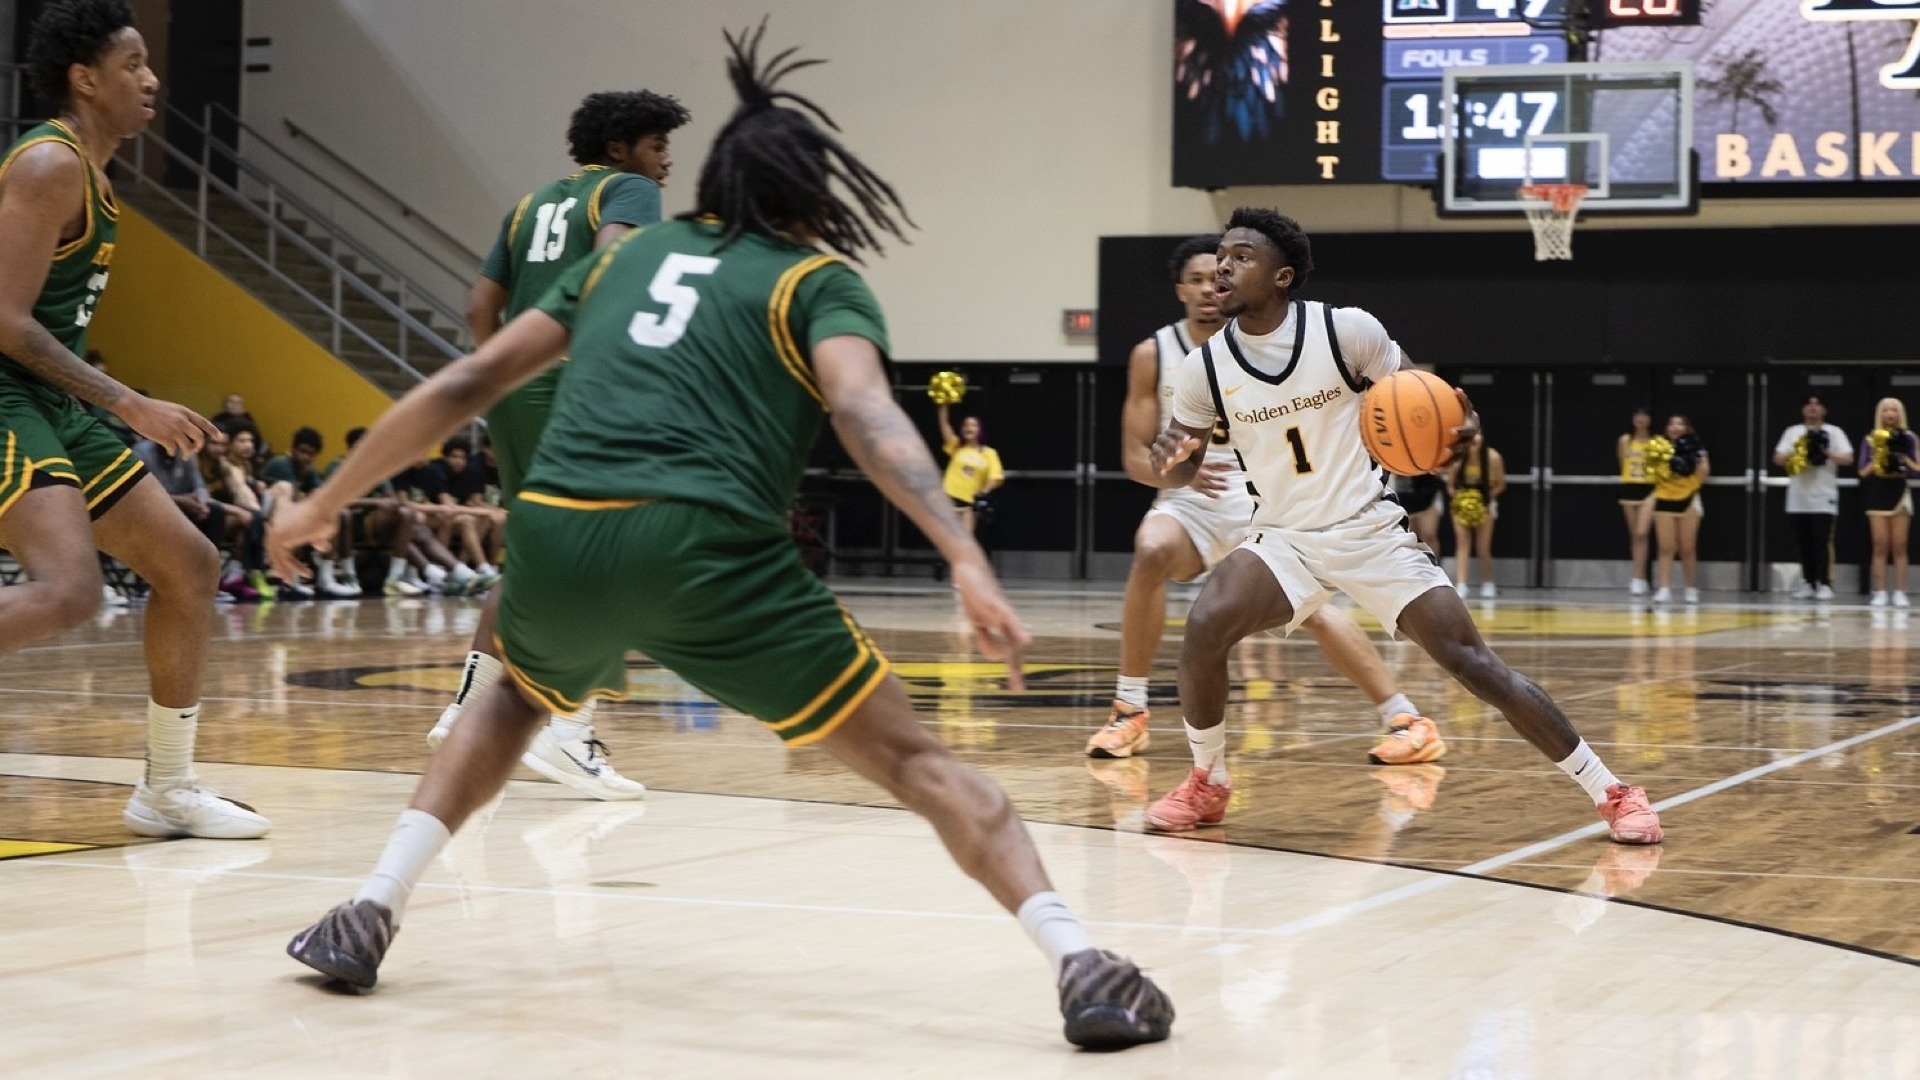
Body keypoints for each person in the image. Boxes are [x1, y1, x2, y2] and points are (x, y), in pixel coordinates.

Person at [272, 24, 1172, 1049]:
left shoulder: (626, 257)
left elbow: (471, 377)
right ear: (813, 193)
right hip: (707, 548)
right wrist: (961, 551)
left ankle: (371, 907)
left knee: (516, 693)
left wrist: (324, 499)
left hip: (559, 530)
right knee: (917, 762)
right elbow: (864, 411)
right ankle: (1080, 962)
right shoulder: (814, 279)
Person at [1135, 207, 1661, 847]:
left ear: (1282, 276)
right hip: (1285, 538)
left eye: (1241, 257)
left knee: (1472, 663)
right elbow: (1179, 464)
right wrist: (1170, 462)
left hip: (1369, 529)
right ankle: (1207, 780)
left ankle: (1612, 790)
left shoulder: (1345, 331)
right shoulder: (1203, 368)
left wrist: (1462, 429)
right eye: (1221, 256)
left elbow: (1425, 396)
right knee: (1205, 626)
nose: (1223, 267)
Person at [0, 0, 266, 839]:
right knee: (69, 590)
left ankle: (167, 789)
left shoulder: (96, 178)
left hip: (49, 401)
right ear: (85, 79)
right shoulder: (50, 163)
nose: (153, 80)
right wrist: (127, 401)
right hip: (5, 392)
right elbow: (4, 319)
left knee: (190, 564)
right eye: (133, 64)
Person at [423, 88, 691, 801]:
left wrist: (506, 372)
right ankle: (570, 732)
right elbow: (610, 273)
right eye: (658, 145)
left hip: (515, 391)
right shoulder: (628, 191)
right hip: (577, 385)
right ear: (619, 148)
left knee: (535, 557)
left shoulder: (529, 205)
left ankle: (467, 712)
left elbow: (479, 306)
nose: (666, 161)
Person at [1088, 233, 1438, 767]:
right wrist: (1176, 472)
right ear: (1180, 290)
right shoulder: (1154, 354)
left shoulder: (1277, 339)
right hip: (1193, 501)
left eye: (1217, 276)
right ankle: (1128, 710)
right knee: (1151, 547)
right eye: (1197, 279)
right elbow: (1136, 457)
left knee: (1312, 610)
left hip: (1267, 494)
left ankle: (1405, 717)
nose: (1209, 287)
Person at [1773, 395, 1854, 600]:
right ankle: (1808, 581)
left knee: (1822, 541)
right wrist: (1799, 450)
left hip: (1824, 497)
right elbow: (1778, 458)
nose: (1813, 408)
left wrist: (1826, 452)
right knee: (1803, 542)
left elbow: (1848, 458)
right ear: (1803, 409)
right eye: (1809, 404)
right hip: (1797, 498)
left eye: (1818, 404)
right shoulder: (1792, 432)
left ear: (1824, 410)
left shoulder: (1834, 432)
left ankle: (1825, 582)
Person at [1859, 397, 1917, 608]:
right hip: (1877, 493)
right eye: (1885, 410)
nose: (1890, 414)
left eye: (1894, 410)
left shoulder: (1909, 437)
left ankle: (1900, 592)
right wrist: (1879, 455)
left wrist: (1902, 456)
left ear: (1900, 414)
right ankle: (1880, 591)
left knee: (1900, 545)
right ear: (1879, 414)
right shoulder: (1871, 439)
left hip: (1900, 492)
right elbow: (1863, 471)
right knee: (1879, 544)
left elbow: (1917, 469)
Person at [1650, 414, 1708, 605]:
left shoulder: (1696, 446)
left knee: (1687, 547)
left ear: (1687, 427)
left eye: (1680, 424)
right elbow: (1651, 470)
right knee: (1665, 547)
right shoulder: (1659, 447)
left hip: (1688, 499)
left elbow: (1704, 469)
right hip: (1664, 498)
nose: (1675, 427)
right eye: (1671, 424)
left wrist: (1690, 486)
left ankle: (1691, 588)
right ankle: (1664, 588)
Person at [1446, 432, 1505, 598]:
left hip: (1485, 505)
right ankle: (1461, 584)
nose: (1474, 440)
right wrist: (1461, 500)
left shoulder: (1493, 457)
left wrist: (1481, 499)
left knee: (1483, 547)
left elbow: (1501, 484)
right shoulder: (1457, 459)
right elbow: (1450, 486)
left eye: (1477, 435)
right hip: (1461, 506)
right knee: (1462, 544)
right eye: (1470, 436)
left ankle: (1488, 583)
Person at [937, 401, 1003, 536]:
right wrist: (944, 404)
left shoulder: (989, 453)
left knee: (965, 540)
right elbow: (944, 425)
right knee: (946, 539)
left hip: (969, 504)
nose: (969, 428)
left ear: (980, 430)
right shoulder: (957, 447)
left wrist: (984, 492)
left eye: (973, 425)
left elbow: (996, 477)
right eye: (966, 425)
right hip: (948, 500)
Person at [1617, 407, 1657, 596]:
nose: (1641, 419)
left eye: (1645, 416)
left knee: (1642, 532)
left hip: (1649, 488)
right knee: (1635, 534)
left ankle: (1642, 577)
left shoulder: (1657, 441)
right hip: (1629, 487)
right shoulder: (1625, 440)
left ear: (1650, 420)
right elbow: (1622, 464)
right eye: (1637, 416)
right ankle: (1638, 578)